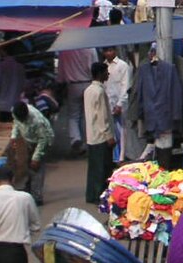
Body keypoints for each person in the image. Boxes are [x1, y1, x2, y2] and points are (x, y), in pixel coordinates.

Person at [8, 102, 53, 204]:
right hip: (29, 140)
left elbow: (43, 140)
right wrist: (14, 137)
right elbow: (16, 123)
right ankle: (28, 189)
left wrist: (36, 157)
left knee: (37, 168)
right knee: (28, 166)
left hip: (42, 141)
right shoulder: (15, 112)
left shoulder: (37, 121)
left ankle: (37, 197)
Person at [56, 45, 97, 155]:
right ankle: (89, 141)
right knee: (87, 115)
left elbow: (61, 70)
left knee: (74, 115)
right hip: (89, 83)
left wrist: (60, 82)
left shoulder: (65, 50)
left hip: (73, 85)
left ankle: (76, 139)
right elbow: (95, 68)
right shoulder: (90, 48)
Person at [84, 61, 115, 205]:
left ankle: (91, 194)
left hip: (92, 135)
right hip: (101, 136)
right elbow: (102, 116)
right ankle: (99, 195)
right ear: (100, 74)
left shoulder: (88, 90)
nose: (108, 74)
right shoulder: (99, 91)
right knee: (103, 167)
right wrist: (108, 135)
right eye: (106, 71)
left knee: (94, 167)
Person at [103, 46, 131, 162]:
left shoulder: (122, 66)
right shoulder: (103, 66)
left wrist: (120, 104)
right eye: (106, 51)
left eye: (110, 50)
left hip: (120, 103)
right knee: (110, 130)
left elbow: (126, 86)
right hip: (108, 103)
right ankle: (113, 156)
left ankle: (121, 156)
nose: (108, 53)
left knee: (122, 131)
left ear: (115, 51)